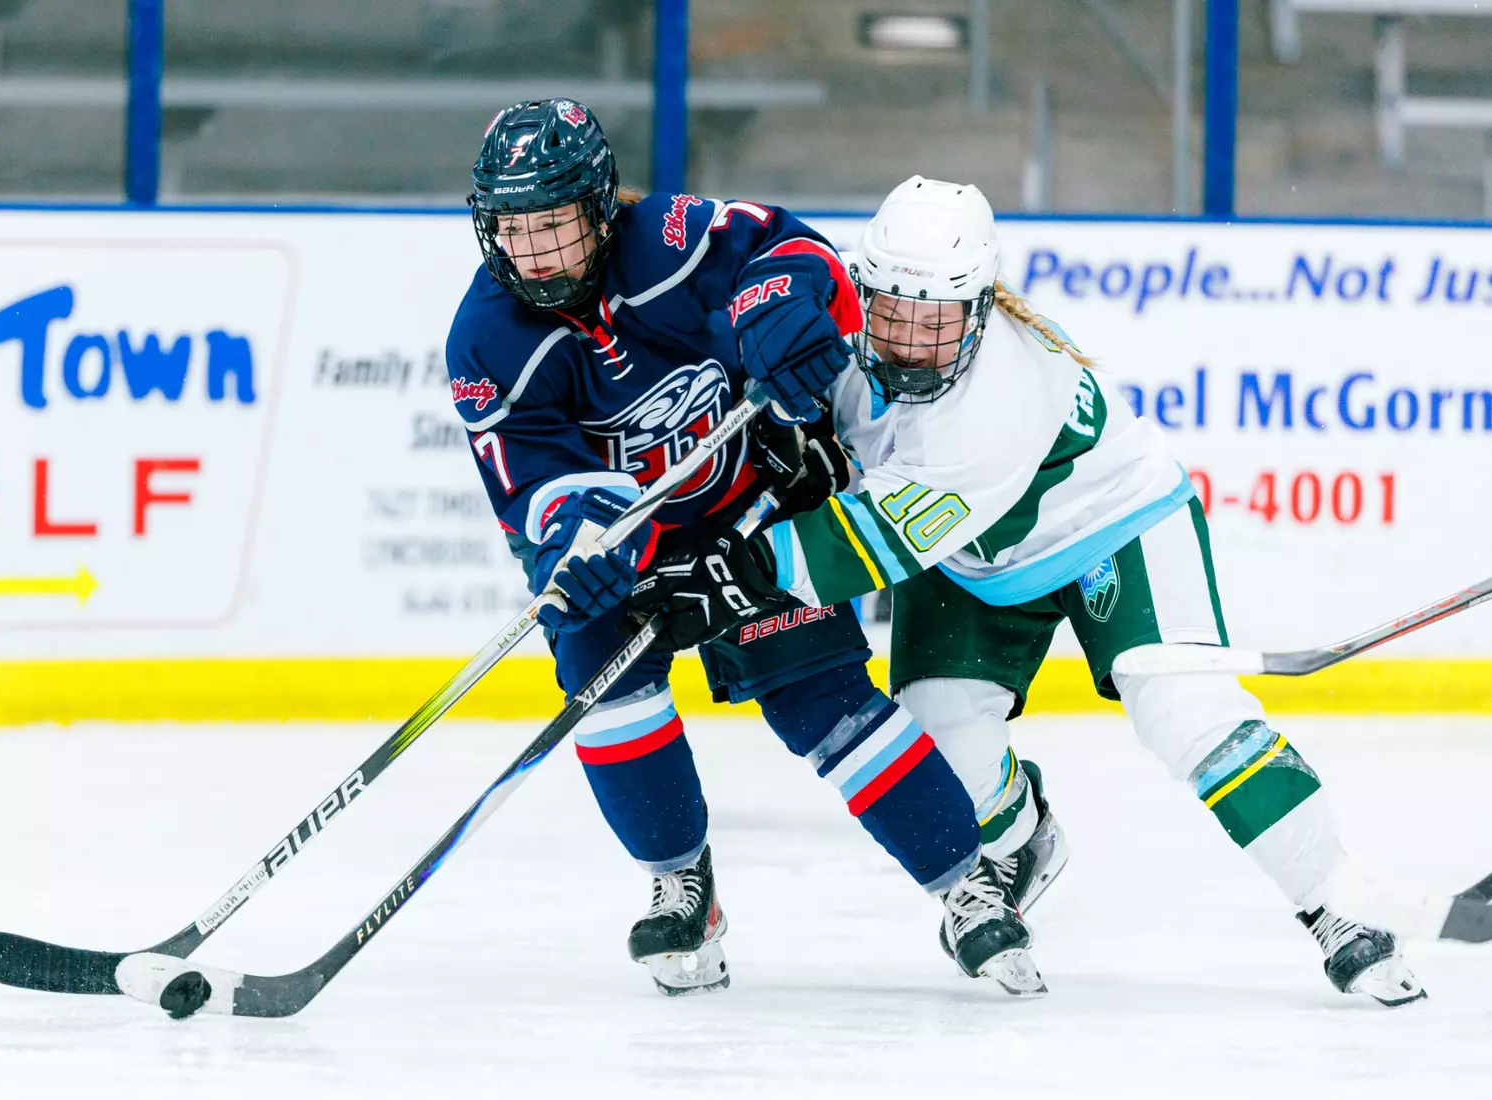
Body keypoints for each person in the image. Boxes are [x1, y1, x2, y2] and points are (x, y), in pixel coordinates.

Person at [625, 175, 1426, 1007]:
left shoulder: (999, 396)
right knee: (939, 735)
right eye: (890, 312)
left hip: (1112, 526)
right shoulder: (852, 340)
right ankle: (1025, 835)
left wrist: (734, 576)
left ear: (976, 310)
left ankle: (1338, 907)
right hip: (973, 558)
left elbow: (870, 543)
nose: (903, 343)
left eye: (932, 323)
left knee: (1188, 717)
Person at [446, 104, 1042, 997]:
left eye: (555, 227)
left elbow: (794, 254)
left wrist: (781, 314)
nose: (536, 254)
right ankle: (682, 883)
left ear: (601, 210)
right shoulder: (484, 341)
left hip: (751, 512)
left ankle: (967, 885)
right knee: (608, 697)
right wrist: (585, 538)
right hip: (628, 546)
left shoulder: (669, 238)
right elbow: (531, 484)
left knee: (824, 705)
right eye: (516, 230)